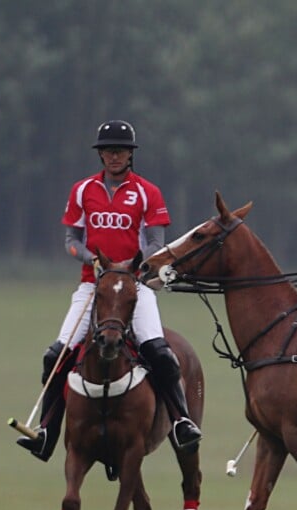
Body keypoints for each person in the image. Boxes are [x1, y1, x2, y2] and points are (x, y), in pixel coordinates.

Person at [17, 119, 202, 461]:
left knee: (160, 352)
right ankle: (45, 432)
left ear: (130, 155)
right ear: (100, 155)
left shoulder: (147, 192)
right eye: (107, 150)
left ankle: (181, 421)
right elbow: (71, 241)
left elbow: (155, 242)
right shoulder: (82, 190)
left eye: (120, 150)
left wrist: (128, 267)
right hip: (92, 285)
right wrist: (92, 259)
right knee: (56, 355)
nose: (114, 156)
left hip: (135, 286)